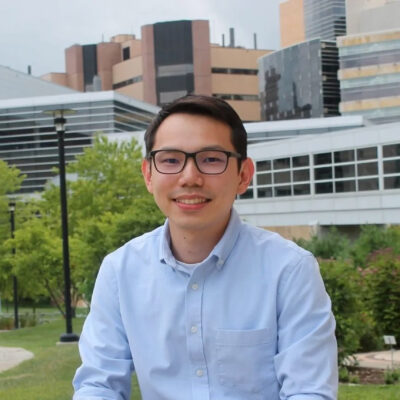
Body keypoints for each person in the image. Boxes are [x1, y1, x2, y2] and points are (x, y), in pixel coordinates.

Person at [73, 95, 338, 400]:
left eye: (211, 159)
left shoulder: (289, 270)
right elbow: (99, 386)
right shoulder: (120, 272)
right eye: (170, 160)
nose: (190, 177)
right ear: (148, 174)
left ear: (243, 175)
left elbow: (309, 392)